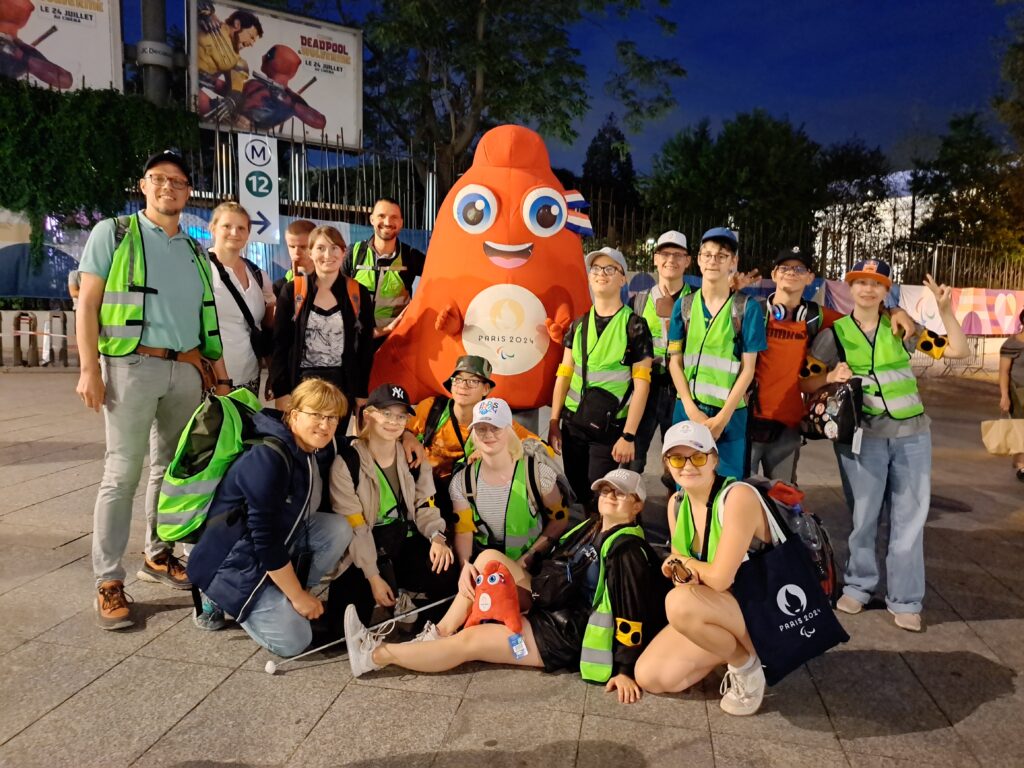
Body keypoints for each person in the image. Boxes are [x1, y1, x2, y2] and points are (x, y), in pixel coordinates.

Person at [343, 468, 666, 704]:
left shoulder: (628, 550)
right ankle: (437, 634)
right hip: (552, 601)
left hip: (566, 632)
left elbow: (631, 611)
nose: (610, 496)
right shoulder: (592, 526)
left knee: (471, 642)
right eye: (606, 490)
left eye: (620, 493)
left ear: (637, 506)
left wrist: (624, 668)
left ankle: (374, 655)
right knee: (487, 559)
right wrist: (517, 567)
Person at [76, 150, 231, 630]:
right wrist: (89, 368)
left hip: (185, 370)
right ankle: (108, 580)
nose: (169, 188)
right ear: (143, 185)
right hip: (130, 366)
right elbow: (88, 304)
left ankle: (158, 554)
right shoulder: (114, 233)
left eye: (179, 182)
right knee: (121, 472)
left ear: (188, 193)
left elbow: (208, 320)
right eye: (160, 179)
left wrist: (221, 379)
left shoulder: (193, 250)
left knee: (171, 468)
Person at [803, 260, 968, 632]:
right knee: (863, 519)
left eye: (875, 284)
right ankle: (859, 586)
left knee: (909, 521)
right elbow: (807, 382)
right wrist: (830, 375)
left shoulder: (902, 327)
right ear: (849, 288)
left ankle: (906, 599)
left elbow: (959, 352)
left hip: (912, 435)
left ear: (886, 289)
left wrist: (945, 311)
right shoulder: (835, 333)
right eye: (860, 283)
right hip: (863, 438)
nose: (867, 290)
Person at [186, 379, 353, 657]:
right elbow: (264, 539)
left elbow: (353, 442)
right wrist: (299, 599)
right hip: (233, 562)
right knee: (295, 642)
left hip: (272, 546)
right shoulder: (267, 458)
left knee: (336, 528)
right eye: (317, 415)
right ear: (294, 413)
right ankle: (218, 596)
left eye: (332, 417)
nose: (325, 425)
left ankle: (290, 594)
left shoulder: (310, 447)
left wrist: (406, 437)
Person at [633, 421, 772, 716]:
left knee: (679, 603)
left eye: (697, 457)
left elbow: (720, 579)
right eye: (677, 458)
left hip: (763, 605)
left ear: (714, 459)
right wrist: (679, 567)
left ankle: (747, 664)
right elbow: (681, 571)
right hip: (719, 609)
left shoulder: (737, 497)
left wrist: (681, 563)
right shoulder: (676, 503)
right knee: (650, 676)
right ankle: (728, 649)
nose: (687, 467)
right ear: (667, 464)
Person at [324, 382, 458, 631]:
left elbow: (425, 505)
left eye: (400, 416)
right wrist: (373, 577)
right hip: (364, 545)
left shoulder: (414, 458)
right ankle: (386, 589)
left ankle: (416, 613)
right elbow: (356, 527)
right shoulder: (348, 463)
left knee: (446, 569)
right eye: (386, 413)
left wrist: (437, 537)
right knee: (343, 628)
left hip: (402, 540)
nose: (393, 422)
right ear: (368, 415)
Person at [549, 247, 653, 507]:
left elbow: (642, 386)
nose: (601, 274)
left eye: (610, 269)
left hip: (608, 430)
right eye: (595, 269)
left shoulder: (635, 326)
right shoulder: (578, 324)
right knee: (577, 490)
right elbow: (564, 373)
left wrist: (628, 436)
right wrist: (553, 421)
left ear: (622, 278)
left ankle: (601, 541)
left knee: (601, 496)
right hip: (573, 424)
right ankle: (586, 540)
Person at [667, 228, 766, 480]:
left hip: (730, 416)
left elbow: (748, 369)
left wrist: (721, 419)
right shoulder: (685, 305)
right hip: (688, 411)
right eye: (707, 254)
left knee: (728, 489)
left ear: (733, 262)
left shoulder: (747, 308)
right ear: (698, 259)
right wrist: (690, 409)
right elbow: (674, 361)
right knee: (687, 484)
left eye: (721, 256)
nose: (713, 261)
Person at [404, 355, 541, 521]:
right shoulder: (432, 408)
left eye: (473, 381)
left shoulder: (494, 418)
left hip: (463, 492)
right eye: (458, 380)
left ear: (485, 390)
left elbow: (537, 445)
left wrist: (495, 451)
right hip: (422, 486)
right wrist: (407, 436)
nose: (463, 386)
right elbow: (397, 429)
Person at [270, 224, 375, 433]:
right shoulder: (293, 291)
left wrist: (361, 392)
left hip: (341, 386)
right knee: (302, 444)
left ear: (344, 252)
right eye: (320, 248)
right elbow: (280, 345)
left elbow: (365, 348)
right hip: (301, 386)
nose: (328, 254)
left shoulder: (357, 293)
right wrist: (281, 391)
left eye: (335, 247)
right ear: (310, 252)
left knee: (334, 444)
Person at [450, 398, 569, 569]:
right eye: (481, 429)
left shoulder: (538, 474)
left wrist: (526, 561)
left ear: (510, 430)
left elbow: (560, 521)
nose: (488, 434)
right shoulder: (461, 481)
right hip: (484, 565)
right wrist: (465, 567)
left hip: (529, 565)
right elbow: (464, 531)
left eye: (496, 428)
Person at [629, 230, 692, 480]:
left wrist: (670, 319)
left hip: (681, 390)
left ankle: (676, 516)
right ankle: (631, 515)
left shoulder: (697, 301)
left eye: (678, 255)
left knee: (679, 463)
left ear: (688, 260)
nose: (671, 260)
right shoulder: (638, 301)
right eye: (665, 253)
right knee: (633, 459)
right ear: (655, 259)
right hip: (646, 387)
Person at [207, 201, 276, 396]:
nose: (234, 233)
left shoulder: (257, 274)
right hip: (211, 380)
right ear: (213, 228)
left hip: (249, 377)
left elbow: (264, 328)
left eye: (241, 228)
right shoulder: (200, 269)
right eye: (227, 226)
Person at [343, 197, 427, 343]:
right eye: (381, 216)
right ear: (372, 219)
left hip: (395, 343)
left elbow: (441, 275)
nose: (387, 222)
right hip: (357, 341)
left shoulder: (411, 256)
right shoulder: (353, 253)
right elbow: (333, 294)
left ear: (401, 223)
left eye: (394, 217)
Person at [196, 3, 263, 121]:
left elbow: (235, 91)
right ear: (237, 24)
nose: (252, 43)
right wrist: (205, 11)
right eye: (251, 36)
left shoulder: (237, 62)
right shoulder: (210, 20)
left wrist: (230, 102)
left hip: (192, 94)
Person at [998, 310, 1024, 482]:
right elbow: (1003, 372)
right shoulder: (1012, 344)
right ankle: (1022, 466)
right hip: (1018, 392)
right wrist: (1004, 396)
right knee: (1020, 430)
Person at [273, 219, 316, 299]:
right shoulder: (278, 287)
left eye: (303, 247)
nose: (296, 252)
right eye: (292, 246)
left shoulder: (331, 284)